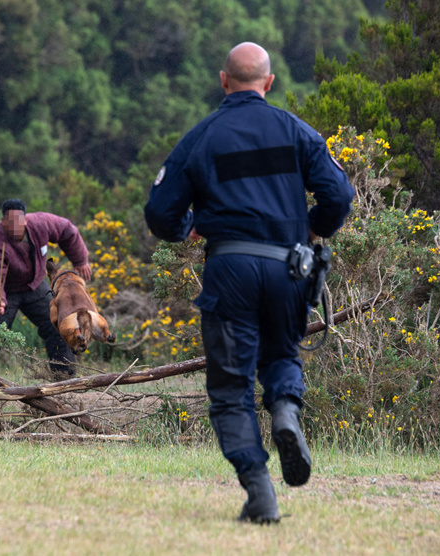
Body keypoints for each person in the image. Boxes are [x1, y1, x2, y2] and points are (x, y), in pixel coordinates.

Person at [144, 42, 354, 524]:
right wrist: (314, 225)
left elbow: (159, 212)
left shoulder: (202, 136)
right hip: (288, 269)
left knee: (230, 387)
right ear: (269, 83)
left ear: (223, 80)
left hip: (230, 268)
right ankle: (284, 411)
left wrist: (186, 226)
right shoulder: (295, 130)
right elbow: (340, 195)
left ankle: (260, 492)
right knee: (281, 355)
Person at [0, 199, 92, 377]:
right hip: (5, 292)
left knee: (60, 324)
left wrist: (80, 260)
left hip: (34, 286)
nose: (14, 227)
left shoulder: (41, 224)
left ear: (26, 220)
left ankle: (64, 377)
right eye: (10, 222)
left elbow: (67, 231)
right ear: (3, 222)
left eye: (18, 222)